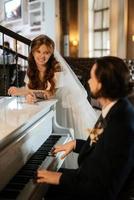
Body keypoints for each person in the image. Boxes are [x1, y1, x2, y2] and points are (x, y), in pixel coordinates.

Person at [36, 56, 134, 200]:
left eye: (92, 78)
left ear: (101, 85)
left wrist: (60, 178)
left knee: (44, 188)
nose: (88, 81)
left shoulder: (120, 126)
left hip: (93, 191)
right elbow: (99, 144)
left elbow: (100, 189)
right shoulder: (116, 107)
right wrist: (76, 143)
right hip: (88, 179)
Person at [8, 34, 98, 140]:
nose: (42, 56)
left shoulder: (56, 67)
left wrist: (22, 92)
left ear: (51, 54)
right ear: (32, 52)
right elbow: (29, 89)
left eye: (46, 53)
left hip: (66, 105)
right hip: (48, 105)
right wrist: (29, 95)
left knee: (79, 136)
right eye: (38, 52)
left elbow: (49, 94)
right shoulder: (31, 67)